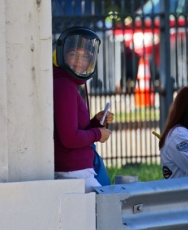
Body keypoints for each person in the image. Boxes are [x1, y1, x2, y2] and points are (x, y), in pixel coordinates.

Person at [52, 26, 114, 192]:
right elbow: (69, 138)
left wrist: (95, 122)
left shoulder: (66, 82)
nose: (80, 61)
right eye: (73, 54)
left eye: (85, 56)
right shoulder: (64, 85)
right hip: (74, 173)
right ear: (60, 55)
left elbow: (69, 128)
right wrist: (98, 134)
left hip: (75, 172)